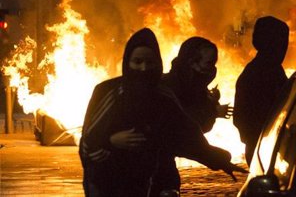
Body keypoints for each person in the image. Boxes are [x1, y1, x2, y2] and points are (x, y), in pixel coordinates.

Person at [79, 28, 242, 197]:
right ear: (128, 62)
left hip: (146, 180)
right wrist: (111, 142)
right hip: (108, 182)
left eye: (150, 62)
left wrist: (217, 159)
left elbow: (185, 135)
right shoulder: (109, 92)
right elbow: (88, 144)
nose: (144, 68)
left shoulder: (163, 96)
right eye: (138, 61)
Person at [151, 37, 232, 196]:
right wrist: (213, 112)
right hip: (151, 168)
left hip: (163, 166)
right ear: (192, 62)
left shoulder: (194, 87)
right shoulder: (169, 88)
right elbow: (182, 129)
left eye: (214, 63)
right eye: (208, 62)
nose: (211, 68)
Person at [234, 16, 289, 164]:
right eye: (281, 42)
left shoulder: (272, 70)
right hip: (264, 147)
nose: (284, 48)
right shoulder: (259, 74)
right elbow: (242, 117)